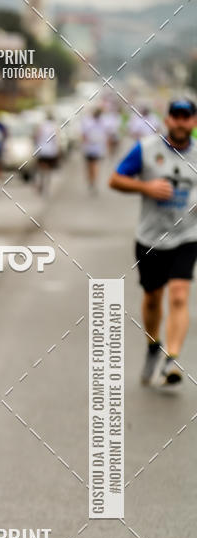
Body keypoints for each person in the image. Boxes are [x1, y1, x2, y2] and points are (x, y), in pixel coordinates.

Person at [109, 98, 197, 387]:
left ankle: (171, 359)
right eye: (176, 116)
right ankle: (152, 345)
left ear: (194, 122)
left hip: (187, 236)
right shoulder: (146, 150)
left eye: (187, 117)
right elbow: (116, 179)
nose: (181, 122)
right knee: (153, 299)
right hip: (150, 238)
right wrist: (145, 186)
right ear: (168, 120)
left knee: (180, 295)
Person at [81, 108, 108, 193]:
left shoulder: (88, 123)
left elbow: (84, 136)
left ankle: (92, 181)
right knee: (95, 165)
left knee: (90, 166)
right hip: (96, 148)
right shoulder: (102, 123)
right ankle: (93, 181)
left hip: (90, 148)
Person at [35, 112, 60, 195]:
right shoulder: (54, 126)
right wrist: (57, 150)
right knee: (49, 170)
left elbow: (37, 136)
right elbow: (56, 140)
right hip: (51, 151)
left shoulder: (41, 126)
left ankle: (41, 183)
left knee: (42, 168)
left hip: (42, 150)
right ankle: (47, 186)